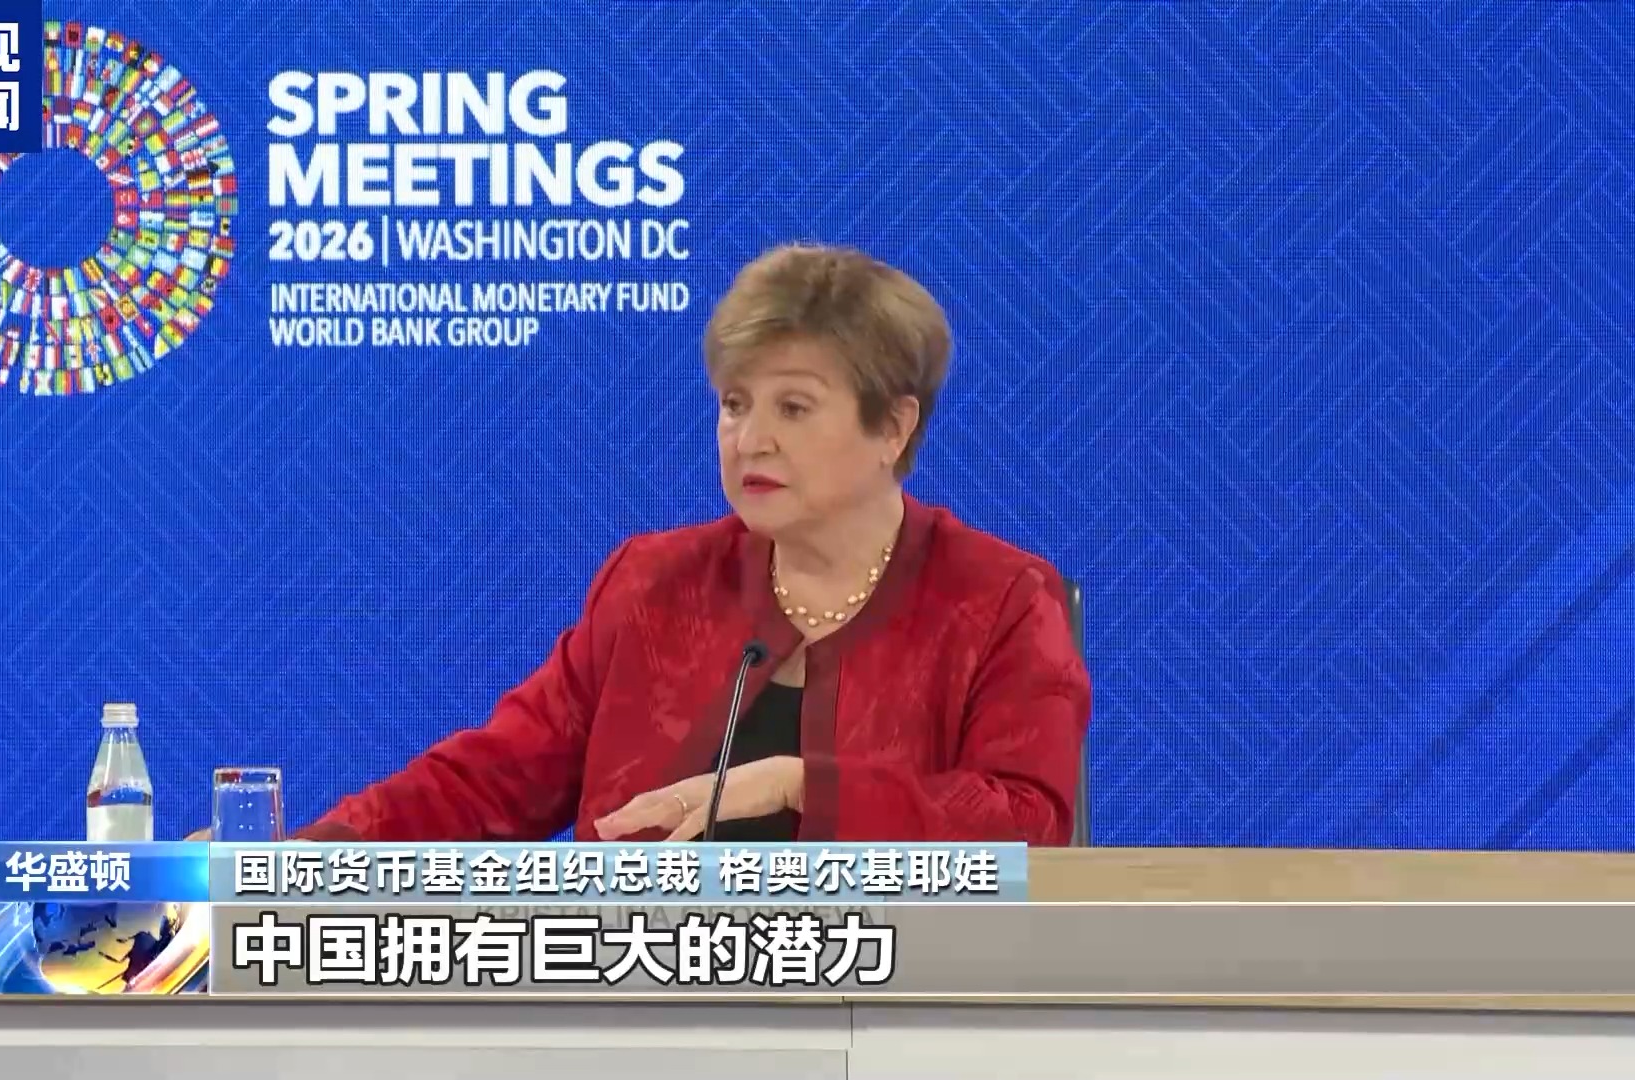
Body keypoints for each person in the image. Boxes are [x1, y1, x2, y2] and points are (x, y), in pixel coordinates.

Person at [288, 243, 1090, 844]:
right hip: (642, 998)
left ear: (893, 426)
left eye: (794, 408)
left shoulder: (998, 601)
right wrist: (297, 863)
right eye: (735, 404)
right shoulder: (655, 584)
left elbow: (1029, 827)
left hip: (891, 1000)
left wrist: (800, 785)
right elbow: (490, 783)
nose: (750, 440)